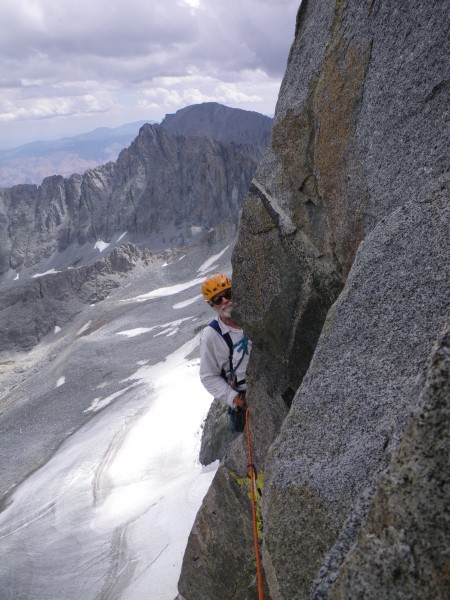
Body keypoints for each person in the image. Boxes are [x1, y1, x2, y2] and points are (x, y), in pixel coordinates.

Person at [199, 273, 251, 431]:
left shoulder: (253, 313)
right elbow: (208, 377)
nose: (225, 301)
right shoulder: (210, 336)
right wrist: (236, 399)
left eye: (227, 294)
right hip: (245, 395)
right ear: (211, 305)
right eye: (217, 299)